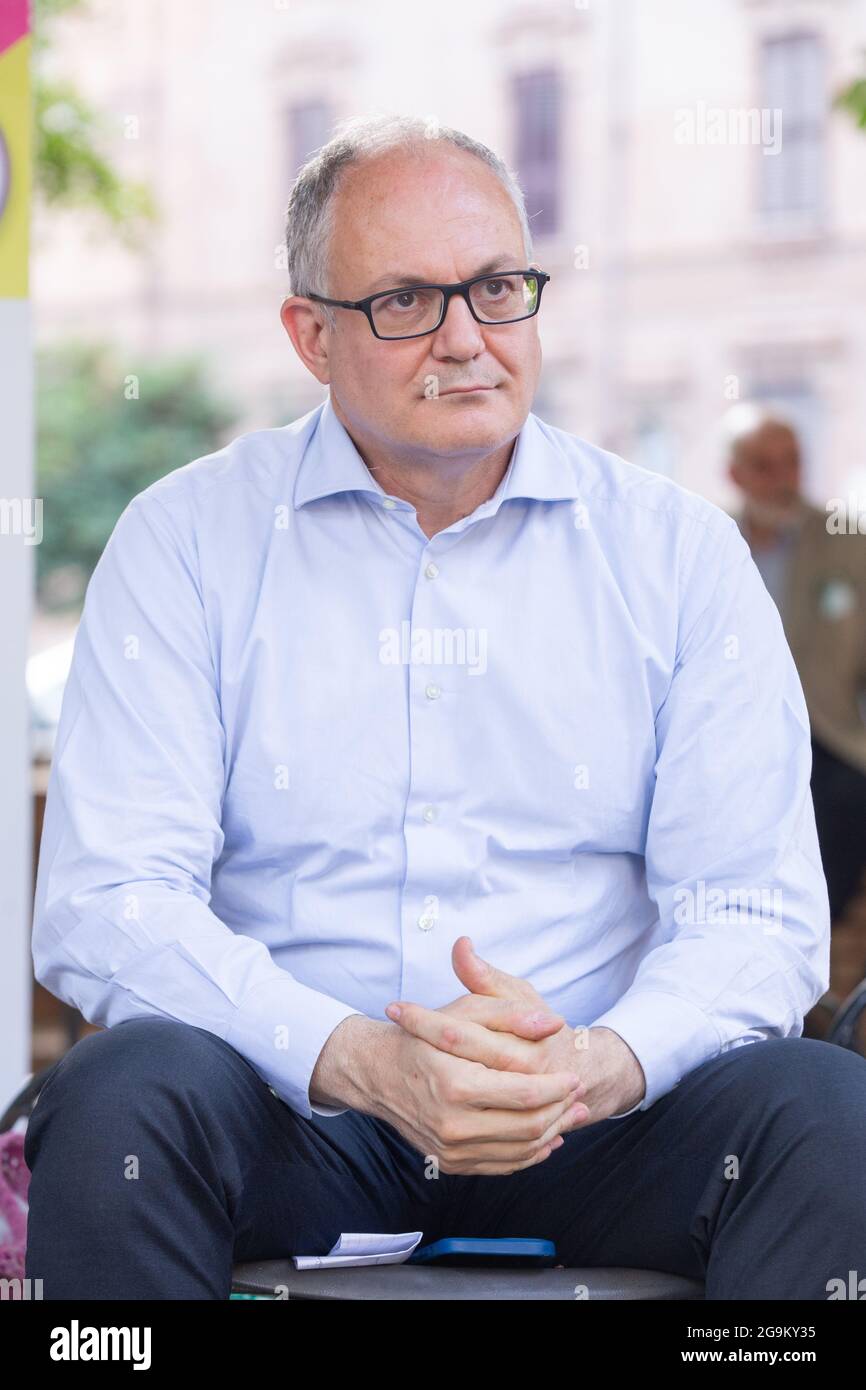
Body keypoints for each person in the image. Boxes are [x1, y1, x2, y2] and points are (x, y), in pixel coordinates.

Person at [24, 114, 866, 1301]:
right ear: (310, 335)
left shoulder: (676, 554)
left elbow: (751, 909)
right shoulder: (189, 541)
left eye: (498, 288)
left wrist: (591, 1065)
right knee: (121, 1097)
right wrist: (358, 1058)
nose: (467, 339)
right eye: (407, 301)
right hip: (296, 1115)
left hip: (602, 1122)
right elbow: (110, 897)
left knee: (823, 1108)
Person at [727, 414, 866, 931]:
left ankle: (811, 967)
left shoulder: (848, 539)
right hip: (735, 737)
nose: (783, 480)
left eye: (792, 464)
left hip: (826, 737)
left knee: (842, 804)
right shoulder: (712, 542)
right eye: (765, 467)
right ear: (736, 473)